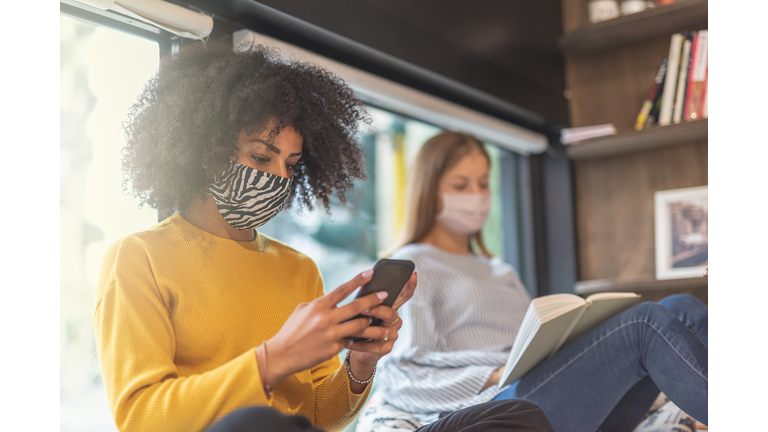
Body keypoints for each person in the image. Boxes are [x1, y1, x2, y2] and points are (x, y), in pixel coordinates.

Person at [93, 41, 553, 432]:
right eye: (261, 156)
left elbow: (321, 418)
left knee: (516, 416)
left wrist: (360, 366)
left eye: (291, 166)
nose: (278, 177)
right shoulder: (138, 259)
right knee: (254, 424)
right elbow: (140, 418)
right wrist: (274, 358)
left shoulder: (297, 268)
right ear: (206, 152)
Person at [359, 131, 708, 432]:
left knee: (682, 307)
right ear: (429, 190)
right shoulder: (417, 263)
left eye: (483, 184)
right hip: (502, 407)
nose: (476, 195)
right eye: (460, 185)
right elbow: (402, 378)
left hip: (549, 391)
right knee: (644, 323)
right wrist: (496, 374)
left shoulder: (502, 271)